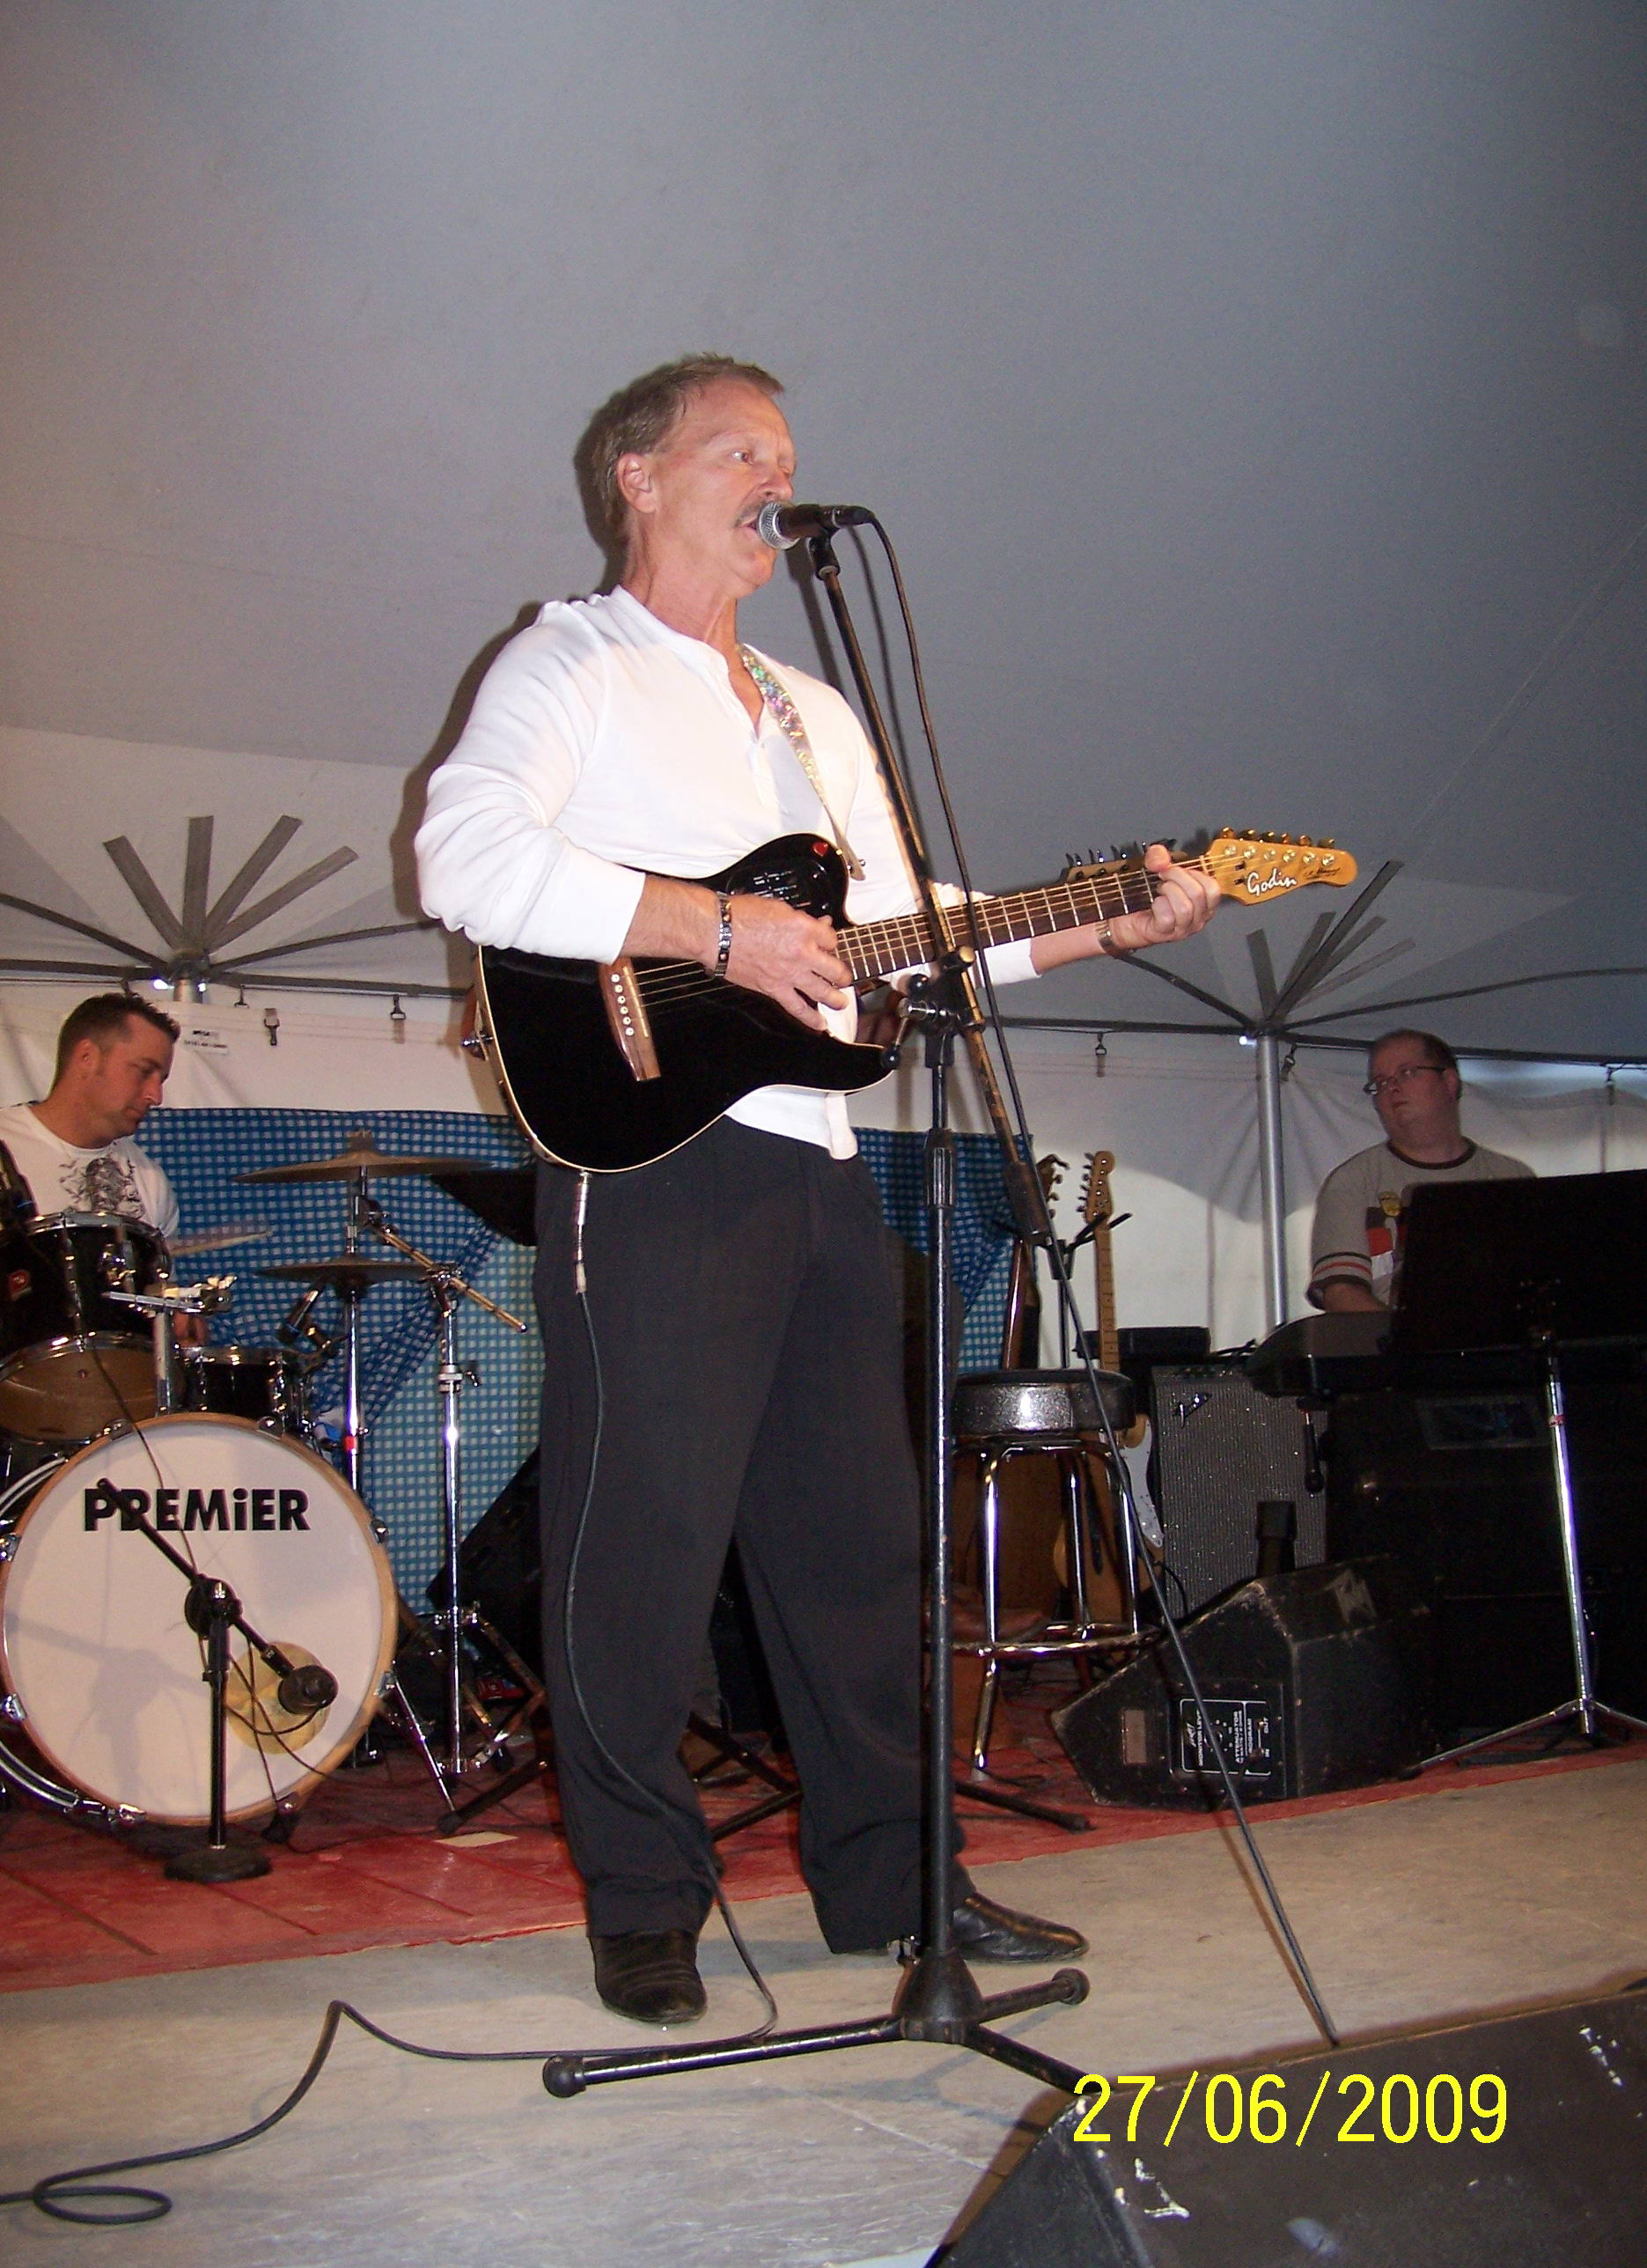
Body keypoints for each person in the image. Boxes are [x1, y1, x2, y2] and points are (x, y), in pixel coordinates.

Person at [416, 353, 1220, 2027]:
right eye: (738, 454)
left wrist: (1105, 921)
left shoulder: (811, 711)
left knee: (855, 1549)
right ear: (639, 476)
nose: (775, 484)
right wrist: (719, 931)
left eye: (786, 460)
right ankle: (645, 1903)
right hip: (648, 1158)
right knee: (642, 1545)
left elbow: (914, 924)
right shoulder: (568, 660)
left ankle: (895, 1884)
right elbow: (465, 856)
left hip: (819, 1164)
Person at [1307, 1027, 1533, 1313]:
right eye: (1380, 1082)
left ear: (1449, 1082)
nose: (1392, 1088)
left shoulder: (1512, 1178)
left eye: (1407, 1073)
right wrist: (1408, 1336)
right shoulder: (1353, 1182)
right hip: (1395, 1340)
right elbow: (1341, 1293)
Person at [0, 993, 181, 1236]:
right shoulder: (6, 1144)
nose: (155, 1096)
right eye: (143, 1071)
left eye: (161, 1080)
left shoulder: (151, 1181)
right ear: (87, 1057)